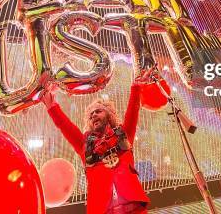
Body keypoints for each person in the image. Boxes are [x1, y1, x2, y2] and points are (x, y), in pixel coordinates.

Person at [41, 75, 151, 214]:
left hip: (133, 209)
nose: (93, 115)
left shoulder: (124, 133)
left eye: (98, 111)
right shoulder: (84, 145)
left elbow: (133, 110)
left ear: (109, 115)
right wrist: (52, 107)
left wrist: (136, 87)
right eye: (91, 115)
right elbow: (65, 126)